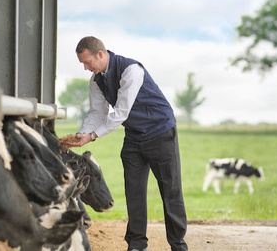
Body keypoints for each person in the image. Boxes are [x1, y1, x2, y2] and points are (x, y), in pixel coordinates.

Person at [60, 36, 188, 251]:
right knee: (134, 191)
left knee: (170, 191)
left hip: (160, 133)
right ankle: (137, 244)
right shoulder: (95, 80)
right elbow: (97, 112)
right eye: (82, 64)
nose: (85, 68)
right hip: (134, 137)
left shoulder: (132, 70)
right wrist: (81, 134)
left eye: (87, 62)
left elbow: (121, 112)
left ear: (100, 54)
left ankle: (178, 245)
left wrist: (93, 136)